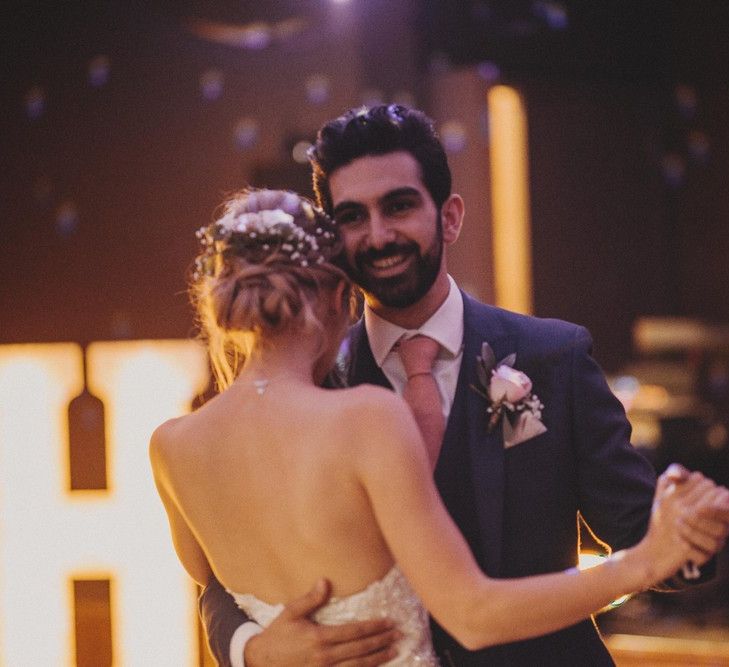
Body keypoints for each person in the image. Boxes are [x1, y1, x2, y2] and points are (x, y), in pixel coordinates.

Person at [196, 106, 729, 667]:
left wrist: (690, 530)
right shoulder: (311, 384)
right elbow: (221, 572)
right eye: (353, 216)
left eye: (398, 206)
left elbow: (636, 529)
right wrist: (250, 646)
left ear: (449, 217)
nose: (379, 236)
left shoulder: (555, 356)